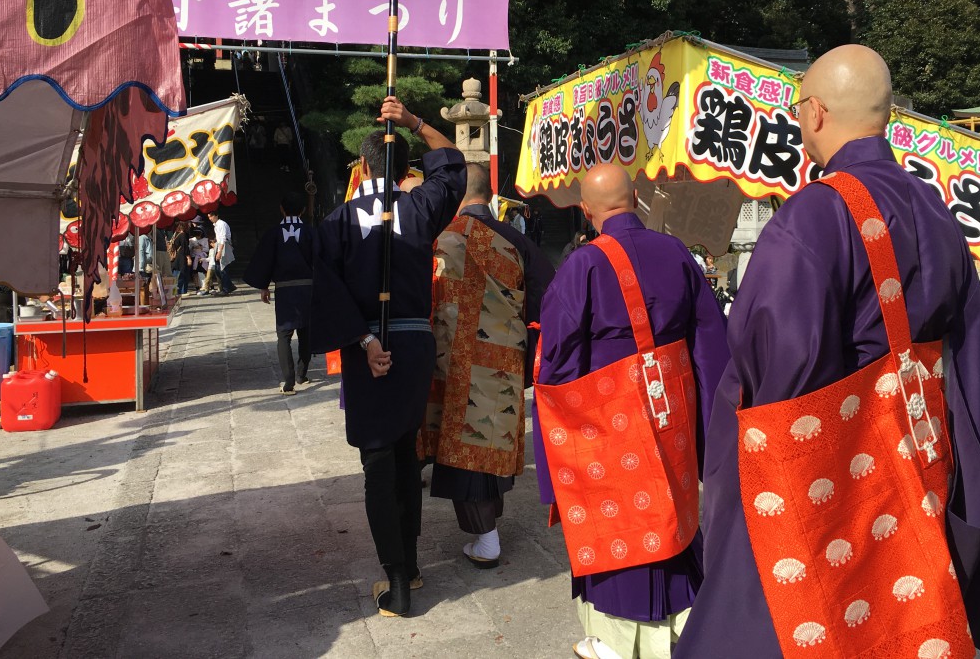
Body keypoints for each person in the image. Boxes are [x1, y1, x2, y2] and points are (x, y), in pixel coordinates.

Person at [678, 45, 980, 658]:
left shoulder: (815, 214)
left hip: (827, 467)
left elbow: (776, 361)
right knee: (903, 605)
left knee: (801, 615)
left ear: (814, 113)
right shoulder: (936, 209)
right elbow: (967, 344)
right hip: (917, 453)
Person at [534, 163, 730, 659]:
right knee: (676, 510)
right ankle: (687, 624)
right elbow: (711, 345)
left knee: (619, 522)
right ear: (635, 197)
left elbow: (556, 364)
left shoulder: (583, 265)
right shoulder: (677, 253)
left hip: (608, 420)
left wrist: (558, 444)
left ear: (587, 210)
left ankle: (617, 642)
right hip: (674, 412)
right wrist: (710, 429)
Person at [311, 96, 465, 618]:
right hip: (415, 343)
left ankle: (396, 579)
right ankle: (412, 566)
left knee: (379, 461)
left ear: (362, 167)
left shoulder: (339, 220)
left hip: (369, 344)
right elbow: (453, 164)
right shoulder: (421, 207)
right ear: (406, 172)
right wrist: (416, 122)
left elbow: (324, 287)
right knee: (404, 453)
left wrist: (364, 342)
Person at [424, 163, 555, 569]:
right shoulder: (515, 240)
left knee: (462, 446)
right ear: (489, 194)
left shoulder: (437, 240)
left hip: (449, 360)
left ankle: (487, 538)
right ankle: (488, 527)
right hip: (502, 360)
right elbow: (546, 301)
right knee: (490, 439)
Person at [245, 192, 315, 394]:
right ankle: (302, 374)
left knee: (284, 334)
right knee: (306, 333)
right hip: (308, 288)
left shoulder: (273, 234)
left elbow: (264, 260)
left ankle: (289, 382)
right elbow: (321, 260)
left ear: (282, 209)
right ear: (302, 210)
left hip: (285, 290)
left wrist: (264, 285)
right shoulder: (310, 232)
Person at [207, 210, 237, 296]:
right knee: (218, 269)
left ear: (216, 216)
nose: (210, 218)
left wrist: (219, 251)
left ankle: (226, 288)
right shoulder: (216, 225)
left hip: (223, 245)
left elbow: (223, 238)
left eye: (211, 216)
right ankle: (229, 285)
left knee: (223, 268)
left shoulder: (221, 224)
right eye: (209, 217)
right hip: (219, 244)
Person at [169, 222, 192, 296]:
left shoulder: (175, 235)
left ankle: (174, 291)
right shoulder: (183, 235)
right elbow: (185, 247)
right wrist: (188, 257)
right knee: (183, 274)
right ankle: (181, 291)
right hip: (182, 256)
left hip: (176, 257)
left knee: (175, 275)